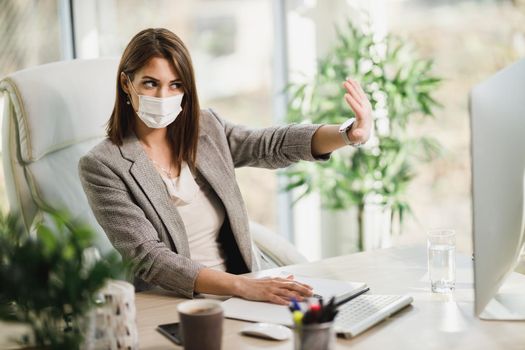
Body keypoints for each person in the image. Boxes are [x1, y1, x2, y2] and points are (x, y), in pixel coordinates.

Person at [79, 28, 372, 305]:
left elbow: (270, 144)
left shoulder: (206, 129)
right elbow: (149, 258)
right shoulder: (102, 165)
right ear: (126, 83)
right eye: (151, 83)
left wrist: (348, 134)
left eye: (175, 84)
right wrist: (243, 287)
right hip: (175, 300)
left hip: (247, 287)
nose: (163, 96)